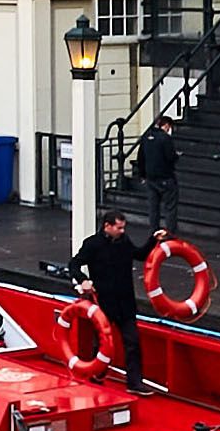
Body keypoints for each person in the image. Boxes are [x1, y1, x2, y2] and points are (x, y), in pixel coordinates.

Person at [68, 210, 147, 391]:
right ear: (107, 226)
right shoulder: (93, 244)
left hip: (125, 302)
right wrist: (83, 280)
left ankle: (134, 382)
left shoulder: (124, 242)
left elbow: (140, 254)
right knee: (103, 342)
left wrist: (154, 240)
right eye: (119, 228)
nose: (122, 231)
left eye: (123, 228)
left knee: (132, 342)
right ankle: (98, 373)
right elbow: (74, 264)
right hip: (105, 302)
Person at [133, 122, 181, 238]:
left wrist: (142, 175)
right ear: (166, 126)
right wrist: (176, 156)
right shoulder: (165, 138)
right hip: (165, 176)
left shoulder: (145, 137)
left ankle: (154, 232)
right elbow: (170, 157)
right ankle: (170, 233)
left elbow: (141, 158)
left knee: (153, 207)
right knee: (170, 207)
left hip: (151, 177)